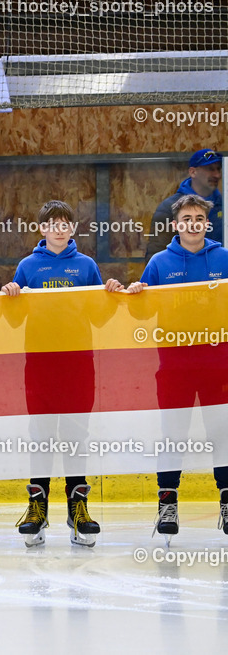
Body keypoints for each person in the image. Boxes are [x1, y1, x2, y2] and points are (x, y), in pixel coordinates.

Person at [1, 200, 123, 547]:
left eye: (64, 223)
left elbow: (99, 318)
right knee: (40, 435)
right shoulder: (27, 267)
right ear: (42, 229)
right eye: (52, 223)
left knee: (75, 434)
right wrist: (10, 296)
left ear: (72, 229)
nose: (58, 228)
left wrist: (110, 294)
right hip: (38, 363)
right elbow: (13, 320)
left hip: (78, 363)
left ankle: (77, 508)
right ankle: (37, 507)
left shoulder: (86, 266)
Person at [117, 194, 228, 542]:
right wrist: (136, 294)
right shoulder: (160, 262)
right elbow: (140, 312)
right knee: (172, 436)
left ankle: (227, 502)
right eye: (186, 218)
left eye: (199, 218)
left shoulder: (223, 258)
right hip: (174, 366)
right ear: (175, 224)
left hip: (218, 365)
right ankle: (167, 503)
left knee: (221, 435)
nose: (193, 224)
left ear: (206, 223)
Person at [145, 149, 222, 262]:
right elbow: (156, 253)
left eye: (218, 169)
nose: (217, 175)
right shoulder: (169, 208)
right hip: (182, 277)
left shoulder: (223, 205)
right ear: (192, 172)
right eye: (210, 169)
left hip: (220, 275)